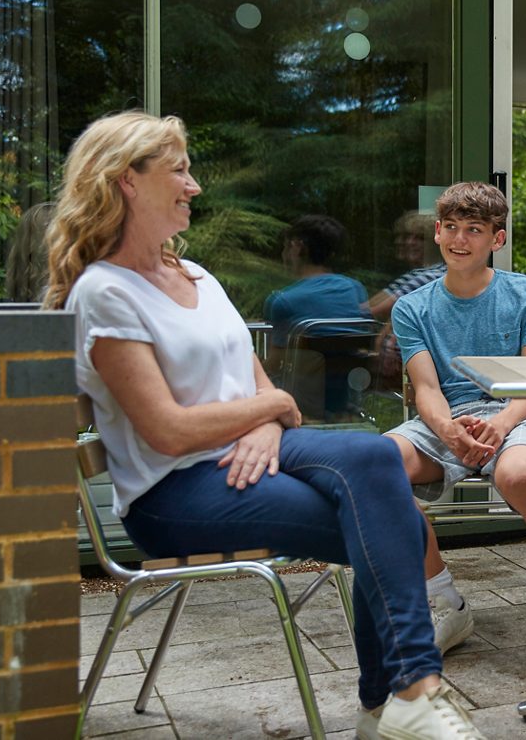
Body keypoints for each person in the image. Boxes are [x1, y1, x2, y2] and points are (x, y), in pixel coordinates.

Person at [45, 111, 484, 740]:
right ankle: (404, 696)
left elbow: (263, 387)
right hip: (174, 493)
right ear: (126, 181)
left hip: (252, 454)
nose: (194, 185)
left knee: (374, 459)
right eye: (179, 171)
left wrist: (268, 421)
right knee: (398, 524)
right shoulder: (105, 292)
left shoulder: (197, 276)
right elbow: (168, 430)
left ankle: (395, 704)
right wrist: (269, 409)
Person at [383, 182, 526, 662]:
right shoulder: (412, 307)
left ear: (497, 238)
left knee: (518, 475)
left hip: (520, 410)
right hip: (447, 418)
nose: (459, 239)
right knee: (374, 468)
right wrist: (448, 430)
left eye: (474, 229)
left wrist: (502, 423)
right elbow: (426, 388)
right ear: (437, 231)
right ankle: (444, 603)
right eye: (451, 227)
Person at [263, 214, 371, 419]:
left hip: (299, 409)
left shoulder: (283, 300)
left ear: (296, 246)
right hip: (346, 404)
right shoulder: (356, 290)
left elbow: (275, 364)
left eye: (285, 246)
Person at [367, 210, 447, 391]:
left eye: (419, 238)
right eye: (403, 236)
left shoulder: (429, 276)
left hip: (402, 369)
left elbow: (369, 310)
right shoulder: (425, 274)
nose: (407, 242)